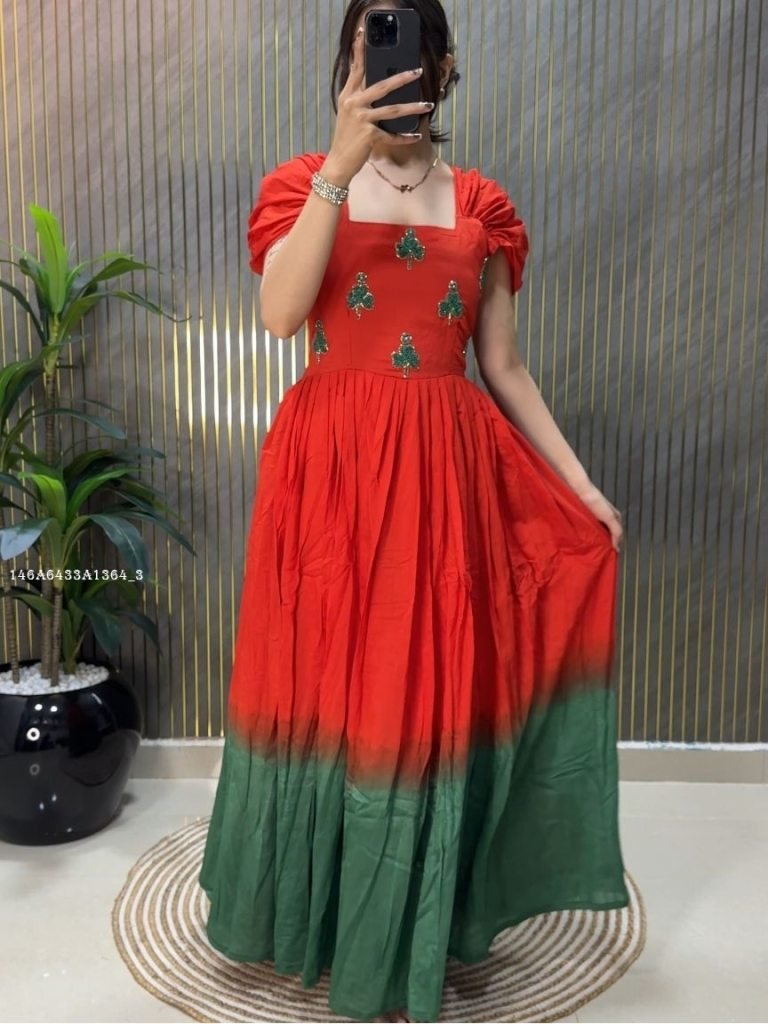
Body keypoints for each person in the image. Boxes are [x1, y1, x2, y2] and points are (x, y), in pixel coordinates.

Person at [199, 2, 630, 1022]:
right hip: (328, 484)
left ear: (444, 63)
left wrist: (580, 486)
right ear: (348, 62)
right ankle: (318, 920)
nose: (390, 69)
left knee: (419, 701)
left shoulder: (481, 205)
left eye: (407, 49)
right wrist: (340, 167)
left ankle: (406, 933)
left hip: (441, 488)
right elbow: (280, 314)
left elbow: (504, 367)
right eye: (369, 48)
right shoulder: (301, 185)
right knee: (326, 695)